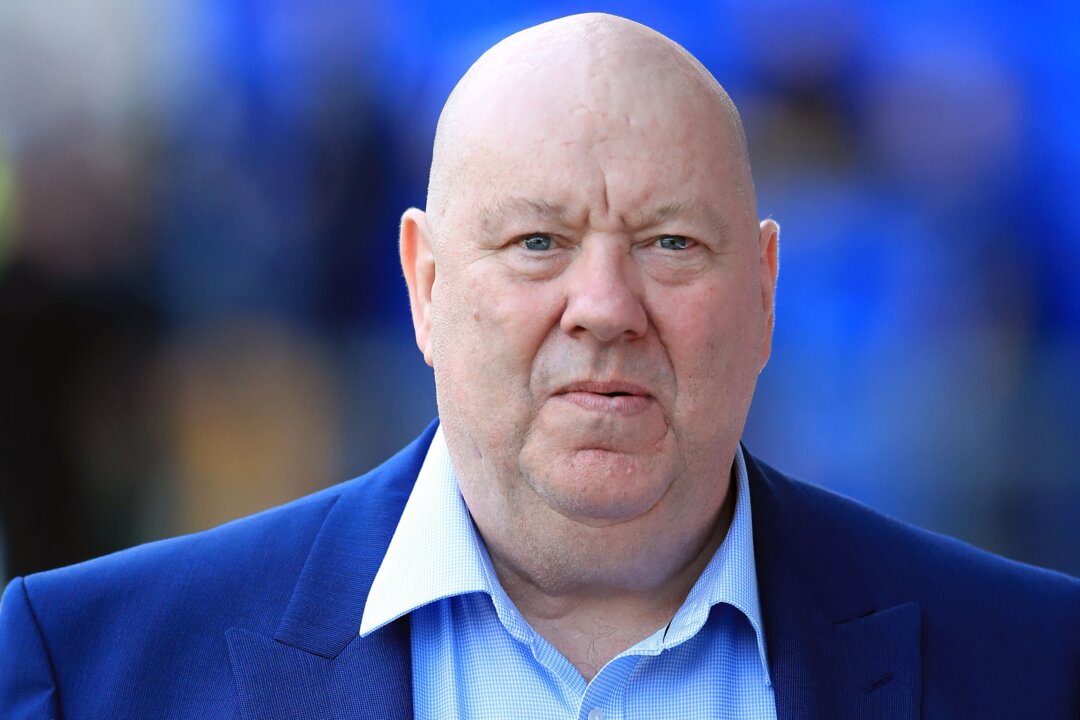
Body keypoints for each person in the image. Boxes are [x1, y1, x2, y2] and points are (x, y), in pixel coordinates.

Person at [1, 13, 1077, 720]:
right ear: (425, 285)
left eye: (669, 242)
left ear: (763, 292)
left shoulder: (1037, 662)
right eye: (537, 242)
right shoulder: (89, 670)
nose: (604, 308)